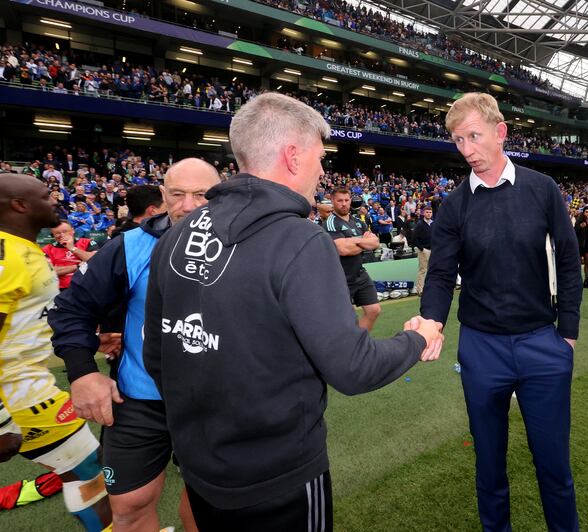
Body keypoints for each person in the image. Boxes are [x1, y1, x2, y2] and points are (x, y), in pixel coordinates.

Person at [142, 92, 443, 530]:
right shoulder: (298, 239)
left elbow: (158, 355)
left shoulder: (179, 231)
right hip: (278, 475)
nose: (323, 172)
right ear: (293, 155)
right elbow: (353, 368)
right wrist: (419, 338)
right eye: (321, 158)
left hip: (202, 467)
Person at [420, 92, 582, 532]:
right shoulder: (454, 204)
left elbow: (568, 259)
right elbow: (439, 274)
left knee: (554, 466)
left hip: (541, 345)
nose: (467, 149)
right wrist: (430, 320)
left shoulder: (542, 188)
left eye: (474, 136)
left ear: (500, 132)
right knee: (489, 465)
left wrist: (567, 334)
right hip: (481, 348)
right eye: (457, 140)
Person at [48, 159, 220, 532]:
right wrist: (82, 374)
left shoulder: (243, 246)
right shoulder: (129, 246)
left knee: (210, 504)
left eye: (201, 195)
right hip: (140, 400)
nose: (188, 205)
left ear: (220, 195)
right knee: (127, 506)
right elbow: (72, 310)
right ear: (162, 196)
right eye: (177, 194)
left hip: (215, 402)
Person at [0, 173, 112, 531]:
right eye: (46, 196)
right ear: (19, 205)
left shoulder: (22, 249)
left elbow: (25, 323)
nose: (56, 201)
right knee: (86, 467)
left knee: (84, 466)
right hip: (16, 392)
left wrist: (96, 338)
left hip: (25, 383)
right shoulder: (8, 258)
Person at [325, 187, 382, 331]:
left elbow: (375, 242)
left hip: (359, 273)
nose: (343, 204)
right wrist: (363, 241)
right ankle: (343, 349)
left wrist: (352, 242)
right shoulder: (331, 222)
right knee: (343, 319)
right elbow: (342, 249)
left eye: (346, 200)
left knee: (373, 310)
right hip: (340, 277)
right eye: (339, 201)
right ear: (332, 201)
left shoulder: (357, 221)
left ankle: (360, 343)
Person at [42, 221, 98, 291]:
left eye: (65, 231)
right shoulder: (47, 249)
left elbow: (96, 260)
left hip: (87, 286)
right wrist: (78, 266)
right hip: (61, 290)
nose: (62, 235)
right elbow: (48, 272)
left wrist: (72, 248)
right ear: (53, 235)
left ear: (73, 230)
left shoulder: (87, 242)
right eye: (57, 233)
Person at [413, 205, 433, 297]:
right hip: (424, 250)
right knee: (423, 270)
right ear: (423, 213)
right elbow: (414, 239)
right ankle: (420, 290)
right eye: (427, 212)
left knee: (432, 270)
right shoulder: (420, 224)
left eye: (430, 212)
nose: (429, 214)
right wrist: (422, 249)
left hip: (433, 250)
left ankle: (430, 288)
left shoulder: (433, 223)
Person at [575, 206, 588, 289]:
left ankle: (587, 281)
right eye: (586, 212)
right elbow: (574, 231)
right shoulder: (579, 220)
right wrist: (580, 227)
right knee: (578, 264)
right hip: (579, 245)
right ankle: (577, 282)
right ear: (583, 212)